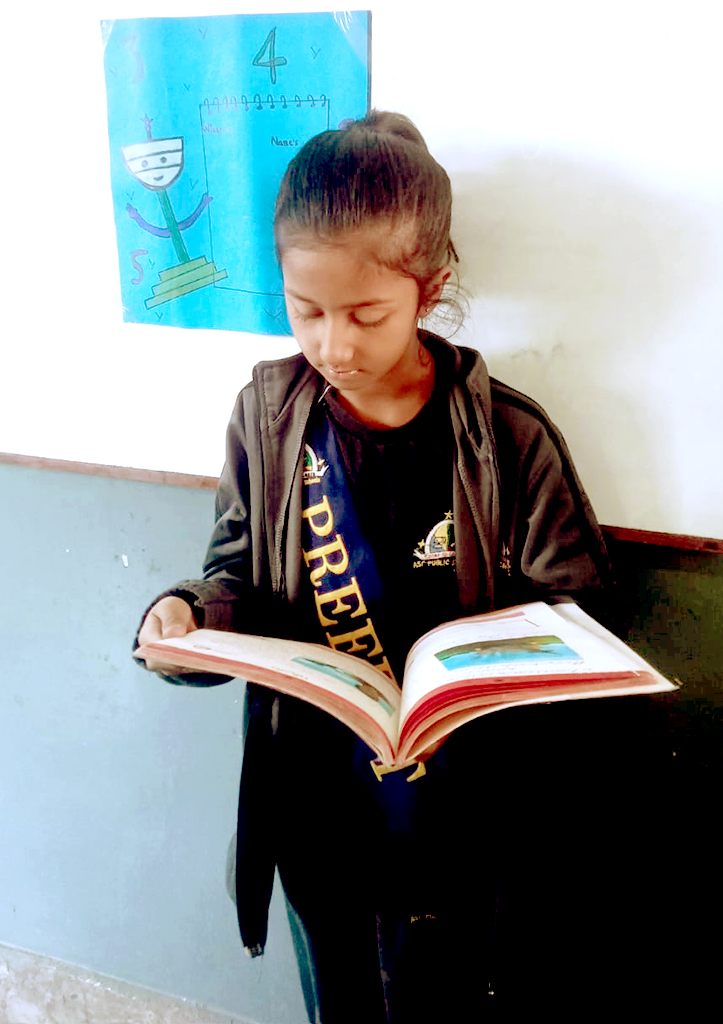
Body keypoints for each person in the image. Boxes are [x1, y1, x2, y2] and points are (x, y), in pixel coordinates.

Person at [136, 111, 660, 1022]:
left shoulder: (508, 436)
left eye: (366, 314)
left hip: (463, 814)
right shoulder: (269, 419)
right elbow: (235, 578)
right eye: (306, 311)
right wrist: (188, 618)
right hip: (316, 801)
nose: (333, 345)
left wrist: (490, 674)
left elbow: (581, 611)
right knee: (337, 1001)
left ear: (430, 290)